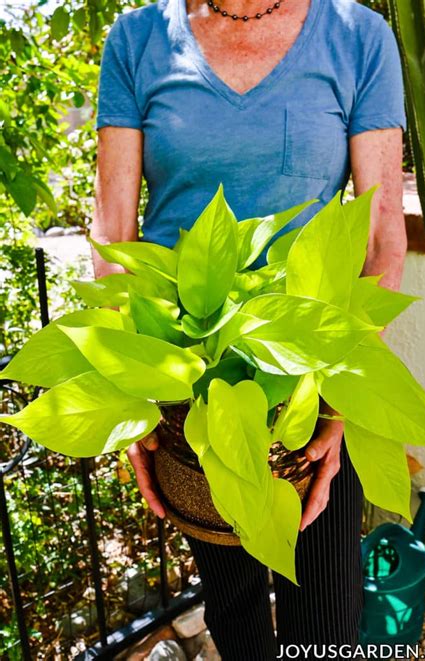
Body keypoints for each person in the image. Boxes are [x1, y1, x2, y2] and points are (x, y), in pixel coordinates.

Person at [91, 0, 407, 658]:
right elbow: (113, 230)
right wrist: (133, 396)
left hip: (309, 380)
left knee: (325, 620)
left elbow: (381, 237)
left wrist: (341, 406)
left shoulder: (356, 38)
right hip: (189, 388)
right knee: (233, 608)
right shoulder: (138, 39)